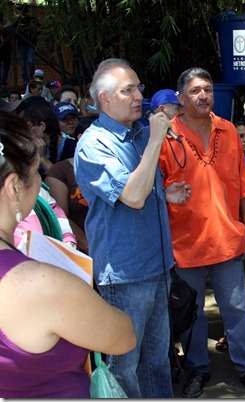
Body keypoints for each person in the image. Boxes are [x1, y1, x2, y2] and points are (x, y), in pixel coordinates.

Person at [74, 58, 189, 398]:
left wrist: (163, 193)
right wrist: (157, 141)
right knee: (125, 364)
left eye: (139, 87)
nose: (139, 95)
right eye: (128, 90)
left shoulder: (138, 133)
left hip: (158, 266)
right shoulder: (94, 145)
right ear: (104, 99)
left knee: (157, 360)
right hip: (125, 275)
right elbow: (134, 197)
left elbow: (140, 192)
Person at [0, 110, 136, 398]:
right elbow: (123, 336)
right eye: (37, 172)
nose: (40, 183)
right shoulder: (39, 284)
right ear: (13, 186)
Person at [158, 67, 245, 399]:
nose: (202, 95)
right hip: (185, 243)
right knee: (191, 312)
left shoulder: (228, 131)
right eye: (194, 91)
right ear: (180, 98)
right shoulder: (166, 136)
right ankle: (197, 369)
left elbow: (243, 185)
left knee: (235, 307)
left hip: (226, 238)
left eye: (207, 89)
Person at [44, 115, 96, 254]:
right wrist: (89, 247)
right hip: (83, 251)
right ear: (81, 138)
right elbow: (60, 217)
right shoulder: (60, 171)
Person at [15, 5, 38, 84]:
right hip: (21, 45)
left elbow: (37, 30)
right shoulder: (18, 20)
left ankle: (32, 78)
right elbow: (14, 32)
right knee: (23, 64)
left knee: (31, 61)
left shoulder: (33, 19)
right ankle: (25, 80)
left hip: (30, 44)